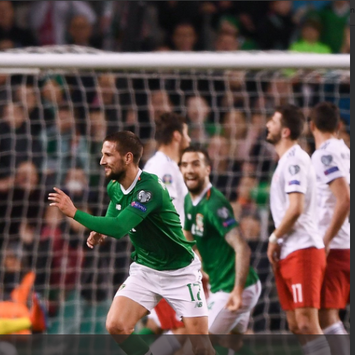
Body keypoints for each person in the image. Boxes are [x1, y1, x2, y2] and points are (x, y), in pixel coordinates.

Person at [48, 131, 213, 355]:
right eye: (101, 154)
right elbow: (115, 207)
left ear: (127, 158)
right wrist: (99, 228)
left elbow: (118, 228)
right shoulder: (114, 186)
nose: (101, 161)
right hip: (146, 269)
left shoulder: (149, 189)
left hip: (180, 271)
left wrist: (74, 212)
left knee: (201, 347)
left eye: (108, 155)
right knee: (116, 325)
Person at [160, 146, 260, 354]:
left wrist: (238, 291)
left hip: (233, 289)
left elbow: (243, 248)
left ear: (207, 169)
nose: (189, 169)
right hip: (219, 285)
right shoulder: (189, 201)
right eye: (185, 164)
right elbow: (188, 236)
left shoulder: (214, 204)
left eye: (196, 164)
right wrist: (199, 264)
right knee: (233, 343)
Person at [265, 105, 330, 355]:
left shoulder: (295, 160)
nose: (268, 124)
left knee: (307, 323)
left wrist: (274, 238)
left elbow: (296, 208)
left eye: (273, 120)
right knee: (295, 324)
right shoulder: (284, 162)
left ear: (285, 131)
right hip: (288, 249)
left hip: (303, 248)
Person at [308, 102, 350, 355]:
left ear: (311, 126)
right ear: (339, 126)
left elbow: (344, 199)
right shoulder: (345, 151)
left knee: (326, 316)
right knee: (325, 316)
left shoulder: (324, 154)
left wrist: (325, 240)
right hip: (342, 243)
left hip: (333, 246)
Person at [143, 112, 191, 228]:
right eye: (186, 134)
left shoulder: (161, 164)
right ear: (177, 136)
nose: (189, 140)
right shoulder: (164, 167)